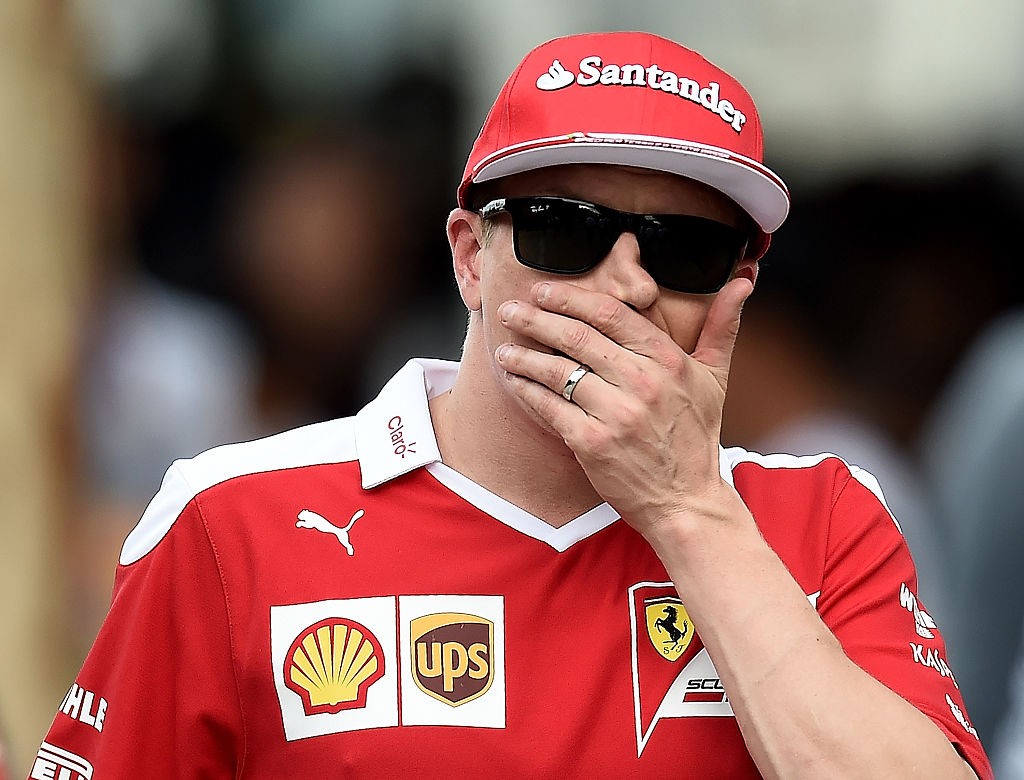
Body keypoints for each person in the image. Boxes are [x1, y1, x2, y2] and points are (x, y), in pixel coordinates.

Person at [34, 31, 990, 778]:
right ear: (467, 257)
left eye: (683, 249)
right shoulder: (230, 519)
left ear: (737, 286)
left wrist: (687, 507)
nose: (627, 285)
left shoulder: (825, 519)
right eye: (564, 230)